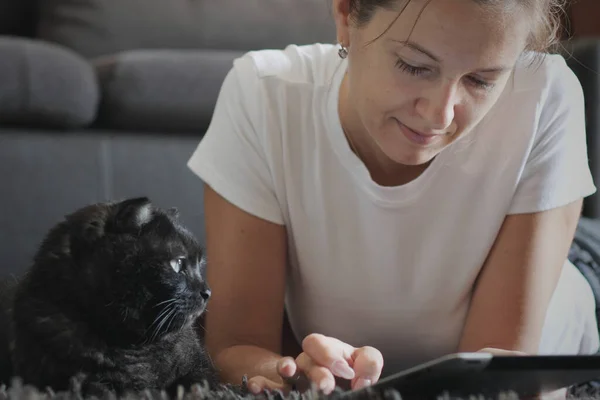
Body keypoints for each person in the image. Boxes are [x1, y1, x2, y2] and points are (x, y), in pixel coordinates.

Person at [187, 0, 599, 397]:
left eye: (481, 81)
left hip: (574, 269)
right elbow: (234, 347)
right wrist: (290, 373)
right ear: (346, 12)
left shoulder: (544, 94)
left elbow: (487, 378)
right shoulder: (264, 95)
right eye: (415, 66)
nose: (440, 116)